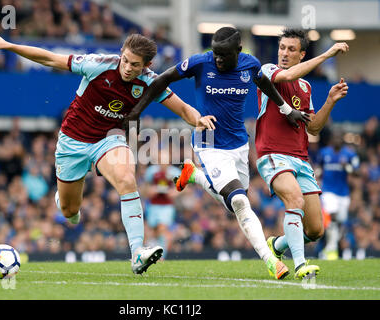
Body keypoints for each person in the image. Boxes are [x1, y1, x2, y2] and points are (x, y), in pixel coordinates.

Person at [0, 32, 216, 274]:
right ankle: (64, 200)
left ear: (147, 65)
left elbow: (184, 109)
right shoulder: (98, 65)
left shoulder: (149, 81)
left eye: (135, 65)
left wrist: (199, 120)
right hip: (72, 143)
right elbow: (51, 59)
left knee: (126, 179)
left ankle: (137, 253)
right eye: (125, 60)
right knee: (70, 211)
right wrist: (7, 45)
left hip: (108, 140)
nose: (127, 68)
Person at [124, 27, 310, 280]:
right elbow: (162, 79)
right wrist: (136, 112)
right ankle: (270, 261)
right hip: (208, 142)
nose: (218, 59)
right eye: (215, 53)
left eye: (223, 55)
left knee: (235, 205)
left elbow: (264, 83)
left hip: (239, 145)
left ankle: (195, 176)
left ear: (238, 52)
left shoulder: (249, 65)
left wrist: (287, 110)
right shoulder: (201, 62)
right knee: (240, 202)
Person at [254, 28, 349, 279]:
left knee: (316, 230)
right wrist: (328, 54)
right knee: (294, 201)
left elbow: (314, 127)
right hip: (273, 153)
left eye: (291, 49)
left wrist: (330, 100)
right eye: (282, 48)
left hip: (300, 158)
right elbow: (285, 77)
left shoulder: (306, 86)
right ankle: (300, 266)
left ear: (302, 54)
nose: (284, 53)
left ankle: (277, 246)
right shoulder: (267, 71)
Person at [317, 129, 359, 260]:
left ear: (342, 140)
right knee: (332, 217)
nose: (337, 140)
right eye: (335, 138)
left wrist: (347, 166)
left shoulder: (349, 154)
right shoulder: (324, 153)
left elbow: (357, 173)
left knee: (340, 223)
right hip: (328, 191)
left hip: (343, 193)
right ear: (331, 140)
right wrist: (316, 175)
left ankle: (329, 248)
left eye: (339, 138)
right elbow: (318, 167)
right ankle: (332, 249)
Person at [141, 147, 181, 258]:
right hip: (153, 205)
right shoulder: (151, 172)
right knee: (151, 232)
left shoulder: (175, 173)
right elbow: (144, 189)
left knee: (162, 228)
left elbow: (182, 188)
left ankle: (161, 257)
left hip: (167, 206)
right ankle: (148, 255)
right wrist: (149, 191)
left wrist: (174, 192)